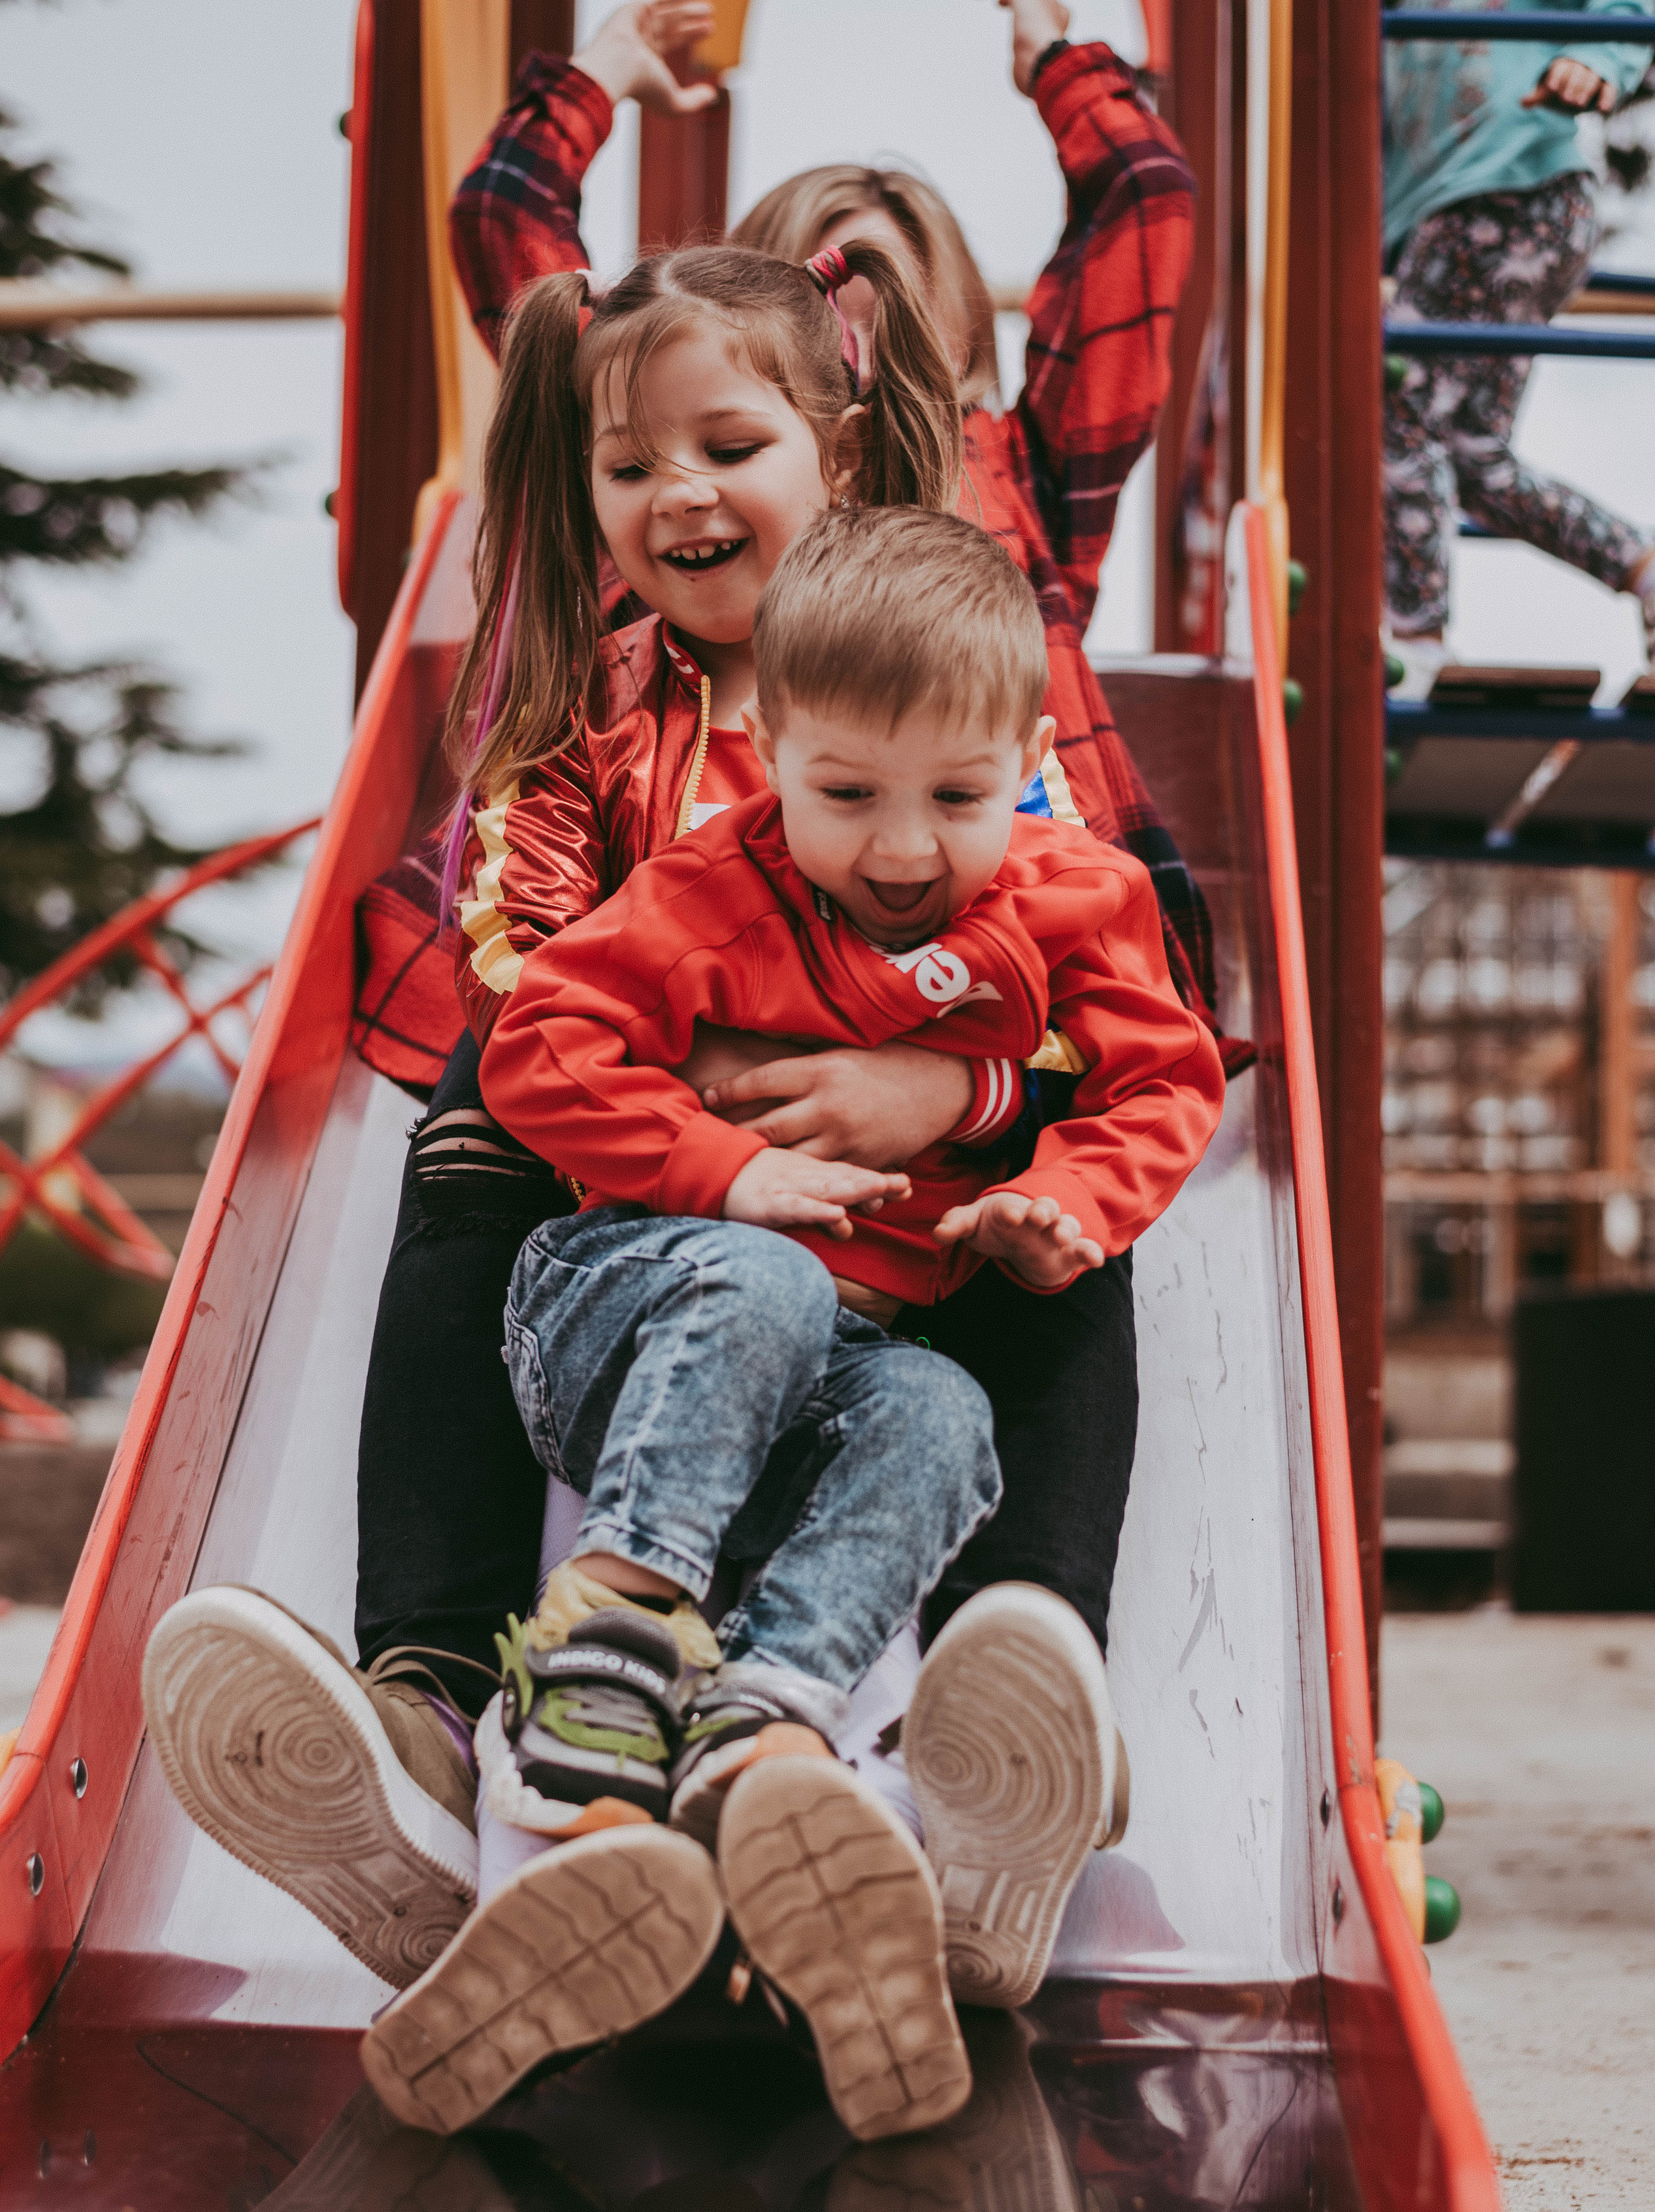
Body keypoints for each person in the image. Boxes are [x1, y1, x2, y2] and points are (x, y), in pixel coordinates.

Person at [140, 0, 1222, 2014]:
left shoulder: (958, 668)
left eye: (733, 442)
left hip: (912, 1222)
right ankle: (439, 1695)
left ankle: (986, 1724)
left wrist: (967, 1082)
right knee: (489, 1101)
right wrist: (704, 1103)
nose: (679, 487)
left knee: (1059, 1217)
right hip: (666, 1220)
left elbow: (1097, 994)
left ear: (855, 418)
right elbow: (547, 991)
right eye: (642, 459)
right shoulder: (617, 714)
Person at [357, 504, 1222, 2147]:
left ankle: (764, 1726)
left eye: (957, 798)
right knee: (755, 1278)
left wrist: (1072, 1203)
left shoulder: (1071, 896)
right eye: (848, 795)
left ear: (1028, 759)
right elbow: (536, 1048)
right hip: (620, 1316)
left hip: (846, 1370)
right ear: (771, 758)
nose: (904, 848)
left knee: (940, 1422)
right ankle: (603, 1645)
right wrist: (724, 1169)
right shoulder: (706, 889)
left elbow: (1163, 1074)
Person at [1383, 0, 1655, 693]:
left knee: (1396, 411)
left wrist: (1596, 60)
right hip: (1484, 211)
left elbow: (1625, 8)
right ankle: (1643, 571)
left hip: (1508, 187)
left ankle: (1415, 636)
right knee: (1475, 458)